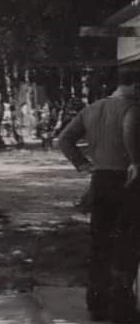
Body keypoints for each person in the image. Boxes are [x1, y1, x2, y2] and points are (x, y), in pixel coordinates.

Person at [58, 67, 140, 323]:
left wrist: (82, 164)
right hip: (127, 181)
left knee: (100, 242)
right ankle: (121, 308)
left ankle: (96, 303)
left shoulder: (91, 109)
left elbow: (64, 139)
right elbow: (128, 129)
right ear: (134, 86)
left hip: (100, 180)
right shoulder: (131, 108)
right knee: (126, 243)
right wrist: (135, 161)